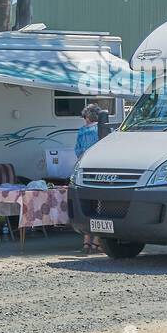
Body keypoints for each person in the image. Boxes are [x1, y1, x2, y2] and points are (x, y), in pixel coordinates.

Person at [74, 103, 105, 254]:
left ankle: (86, 242)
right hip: (100, 169)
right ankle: (98, 242)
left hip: (84, 170)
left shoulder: (82, 131)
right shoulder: (102, 130)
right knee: (100, 205)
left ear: (86, 116)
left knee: (88, 205)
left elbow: (77, 150)